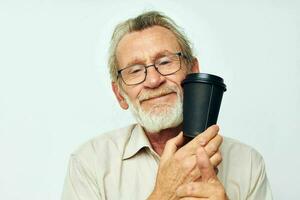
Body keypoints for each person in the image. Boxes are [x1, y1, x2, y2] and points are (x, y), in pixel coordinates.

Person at [62, 11, 272, 200]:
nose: (153, 81)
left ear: (193, 72)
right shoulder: (89, 163)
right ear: (120, 95)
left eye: (165, 62)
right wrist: (163, 194)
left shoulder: (248, 163)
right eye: (135, 70)